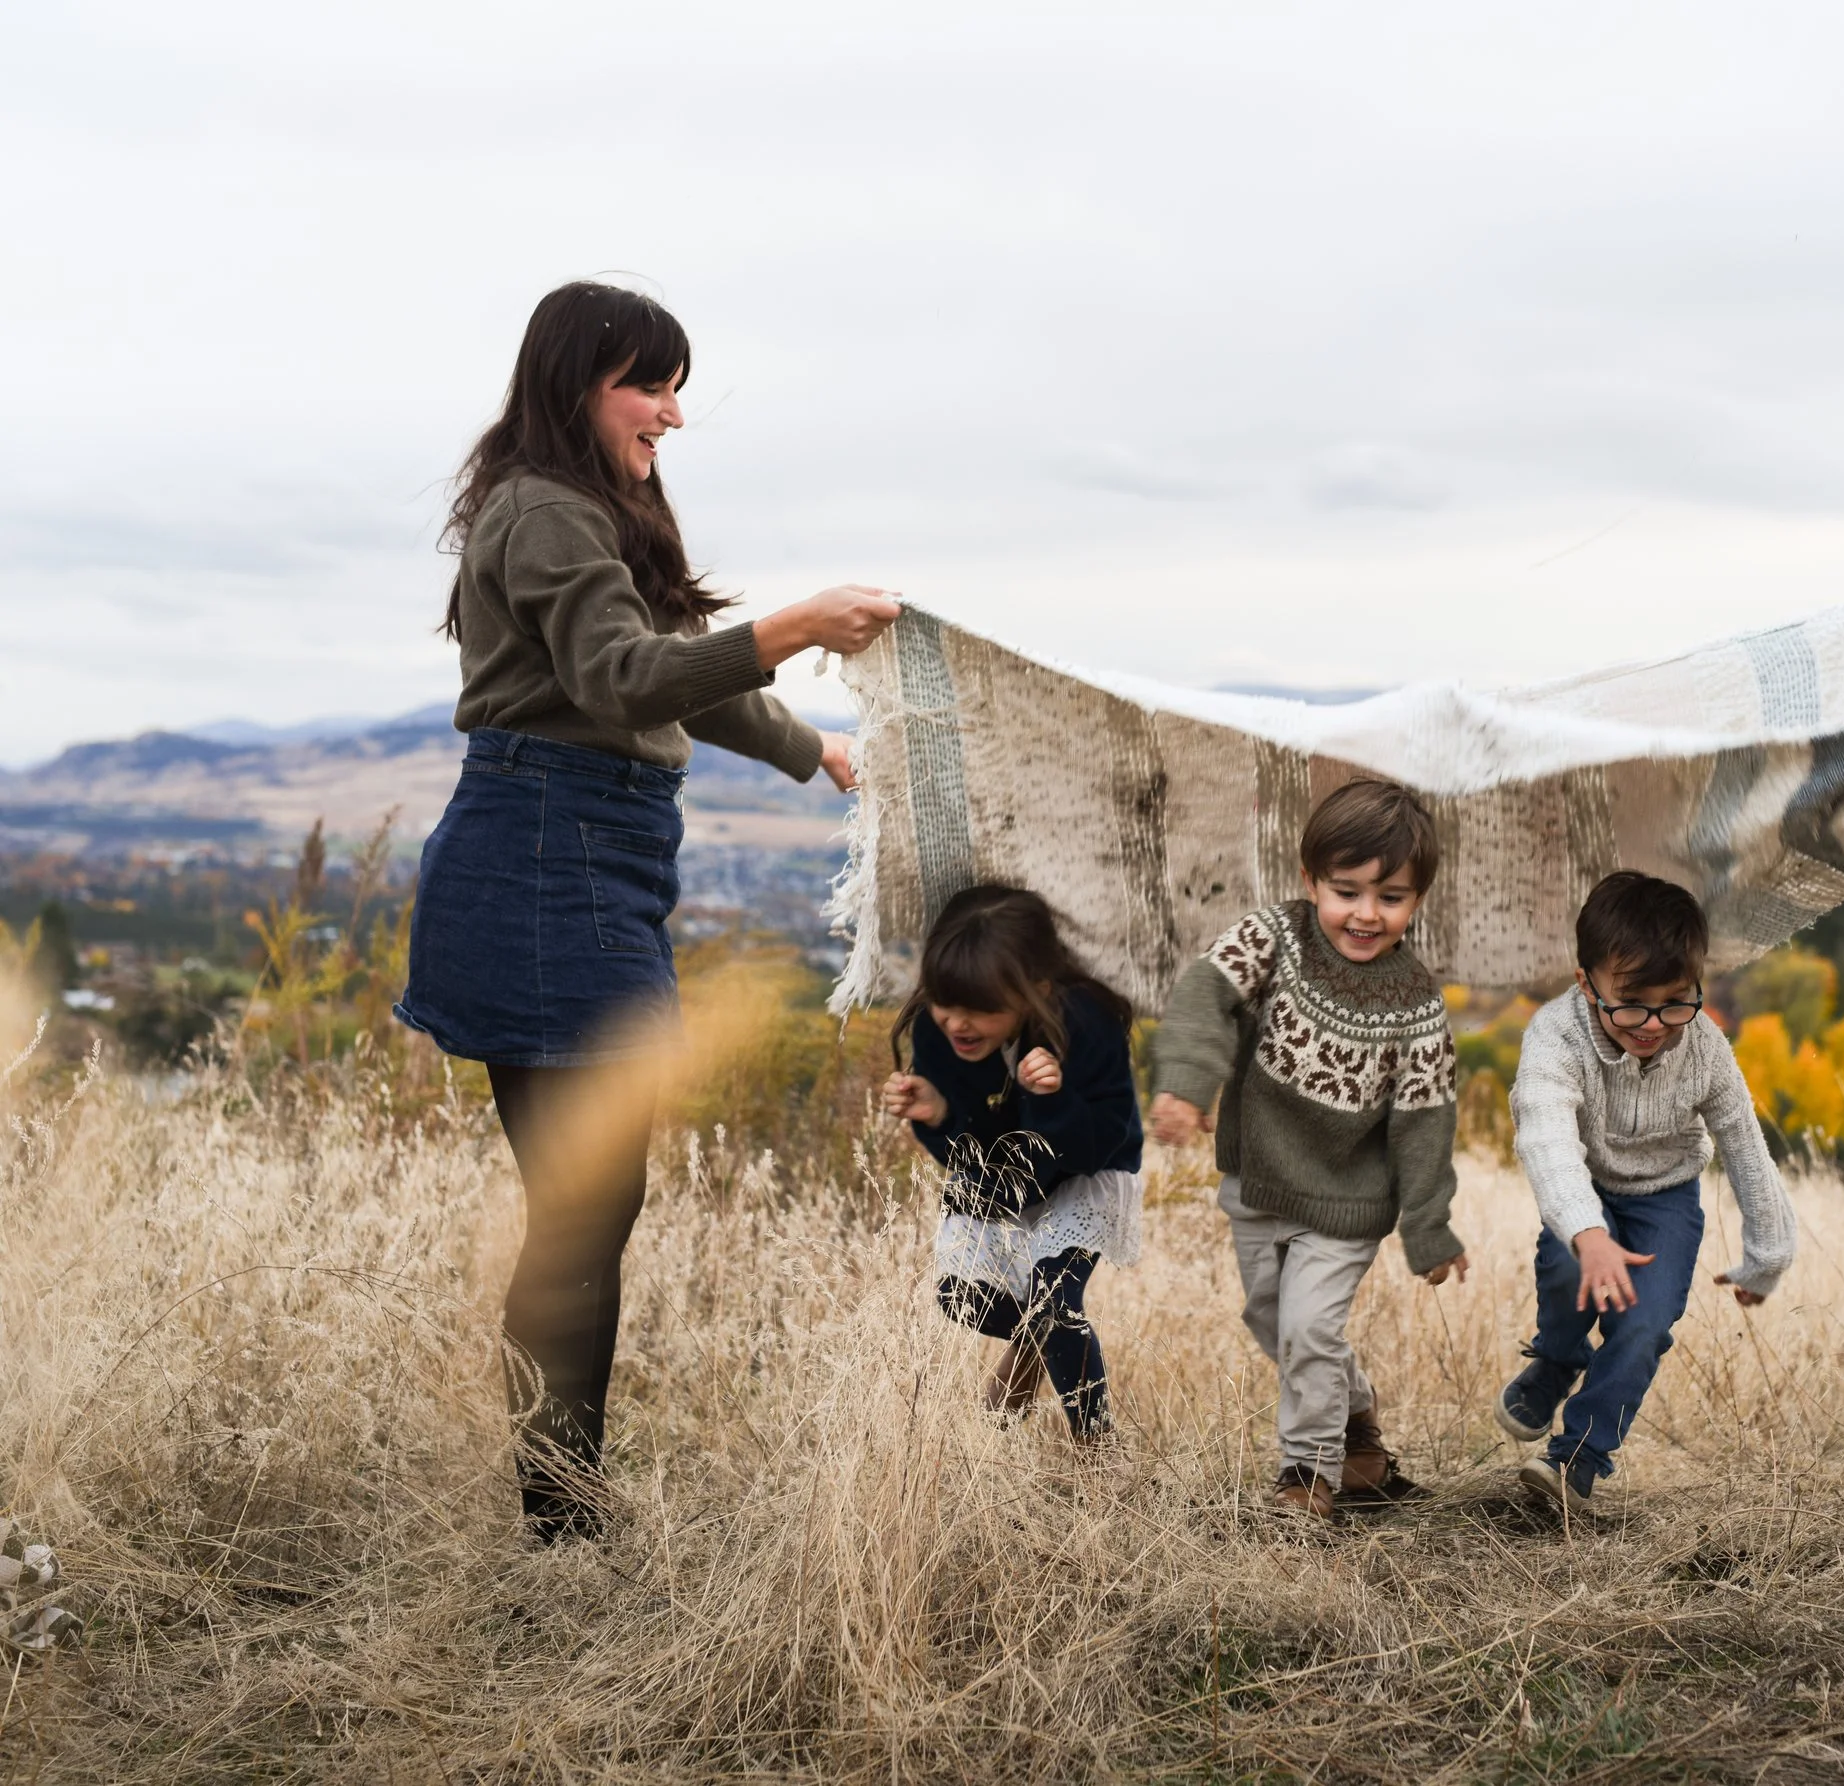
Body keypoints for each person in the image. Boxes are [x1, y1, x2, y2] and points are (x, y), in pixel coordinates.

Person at [395, 281, 901, 1542]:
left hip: (594, 853)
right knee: (585, 1207)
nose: (671, 411)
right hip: (538, 855)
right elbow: (625, 681)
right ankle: (563, 1516)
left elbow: (676, 671)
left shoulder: (594, 508)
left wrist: (814, 752)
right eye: (648, 383)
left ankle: (564, 1499)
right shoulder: (543, 512)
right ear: (578, 382)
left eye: (675, 386)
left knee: (592, 1203)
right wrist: (787, 626)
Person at [1147, 777, 1467, 1522]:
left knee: (1309, 1330)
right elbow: (1205, 995)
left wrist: (1429, 1226)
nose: (1365, 913)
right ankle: (1357, 1420)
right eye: (1346, 890)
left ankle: (1308, 1477)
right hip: (1258, 1183)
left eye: (1390, 897)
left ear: (1417, 900)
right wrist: (1189, 1084)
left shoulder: (1415, 1003)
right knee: (1272, 1322)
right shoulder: (1275, 938)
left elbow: (1424, 1122)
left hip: (1349, 1204)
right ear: (1309, 880)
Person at [1494, 872, 1796, 1513]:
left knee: (1644, 1324)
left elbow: (1744, 1142)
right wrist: (1589, 1232)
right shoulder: (1556, 1035)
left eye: (1676, 1002)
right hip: (1587, 1188)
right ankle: (1556, 1357)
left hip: (1666, 1197)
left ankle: (1575, 1460)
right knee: (1568, 1268)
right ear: (1587, 982)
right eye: (1632, 1003)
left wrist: (1768, 1251)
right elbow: (1546, 1138)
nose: (1654, 1024)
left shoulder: (1705, 1048)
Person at [879, 885, 1145, 1443]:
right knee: (960, 1297)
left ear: (1035, 991)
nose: (958, 1022)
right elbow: (965, 1156)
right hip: (1003, 1181)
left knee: (1053, 1302)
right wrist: (938, 1114)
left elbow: (1100, 1140)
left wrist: (1051, 1096)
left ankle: (1098, 1450)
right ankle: (1037, 1339)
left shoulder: (1085, 1022)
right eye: (945, 1002)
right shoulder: (937, 1029)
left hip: (1084, 1173)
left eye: (981, 1009)